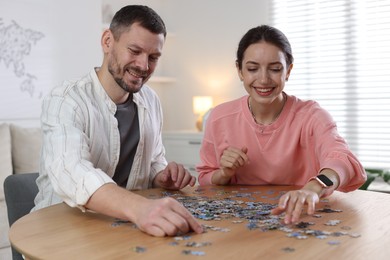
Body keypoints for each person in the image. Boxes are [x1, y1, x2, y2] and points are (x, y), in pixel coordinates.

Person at [33, 5, 203, 237]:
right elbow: (70, 171)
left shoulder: (151, 100)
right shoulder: (65, 100)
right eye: (134, 51)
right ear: (107, 42)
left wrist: (161, 176)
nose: (143, 66)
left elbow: (154, 160)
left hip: (124, 229)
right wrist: (139, 207)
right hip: (61, 231)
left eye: (153, 57)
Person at [197, 25, 367, 225]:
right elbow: (205, 178)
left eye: (275, 69)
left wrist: (314, 188)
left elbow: (343, 160)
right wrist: (224, 174)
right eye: (252, 69)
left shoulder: (313, 116)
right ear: (239, 70)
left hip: (301, 218)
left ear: (288, 70)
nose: (263, 79)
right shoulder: (219, 117)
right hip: (239, 224)